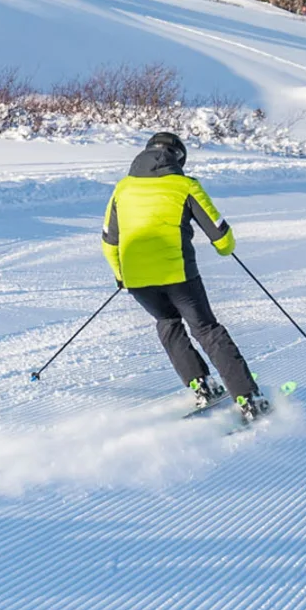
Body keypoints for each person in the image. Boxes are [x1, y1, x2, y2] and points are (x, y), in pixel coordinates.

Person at [102, 131, 267, 419]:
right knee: (206, 330)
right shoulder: (185, 186)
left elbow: (109, 242)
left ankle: (201, 385)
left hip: (137, 279)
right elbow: (221, 237)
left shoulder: (122, 189)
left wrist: (121, 276)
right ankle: (249, 398)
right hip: (178, 274)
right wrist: (224, 246)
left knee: (167, 322)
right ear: (179, 158)